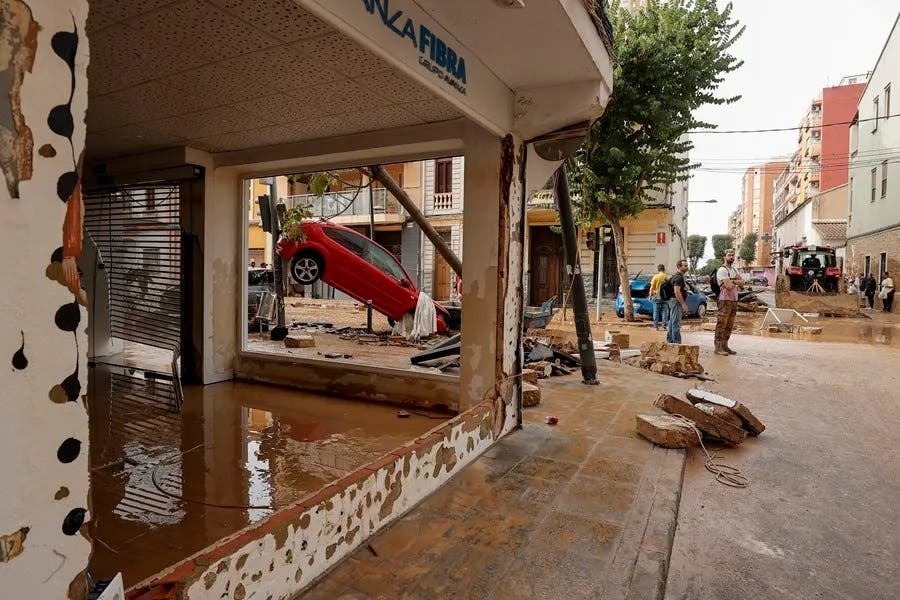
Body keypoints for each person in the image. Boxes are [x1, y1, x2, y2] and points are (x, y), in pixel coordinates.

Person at [715, 249, 744, 356]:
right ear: (724, 257)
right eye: (729, 255)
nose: (731, 257)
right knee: (721, 324)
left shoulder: (734, 270)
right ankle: (718, 347)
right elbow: (728, 286)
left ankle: (725, 346)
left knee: (729, 325)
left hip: (734, 300)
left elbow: (743, 282)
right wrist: (735, 281)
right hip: (724, 300)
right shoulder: (722, 270)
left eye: (733, 255)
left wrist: (733, 281)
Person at [666, 259, 689, 344]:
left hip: (674, 301)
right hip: (676, 301)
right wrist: (683, 304)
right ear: (679, 266)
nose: (687, 267)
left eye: (687, 265)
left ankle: (670, 340)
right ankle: (676, 342)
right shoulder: (678, 277)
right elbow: (677, 291)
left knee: (672, 321)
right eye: (685, 266)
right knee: (676, 322)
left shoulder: (677, 276)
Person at [649, 263, 669, 330]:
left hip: (656, 296)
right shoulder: (667, 277)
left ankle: (656, 326)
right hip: (665, 297)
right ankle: (664, 326)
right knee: (665, 312)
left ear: (658, 269)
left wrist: (650, 296)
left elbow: (652, 288)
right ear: (664, 269)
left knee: (656, 311)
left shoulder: (655, 277)